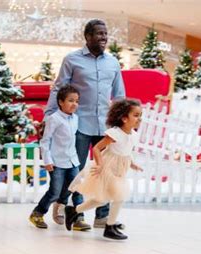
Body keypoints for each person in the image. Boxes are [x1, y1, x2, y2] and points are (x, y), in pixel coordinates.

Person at [44, 19, 126, 230]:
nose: (103, 37)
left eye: (105, 34)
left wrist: (122, 125)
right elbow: (59, 88)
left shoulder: (113, 62)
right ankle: (75, 212)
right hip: (78, 125)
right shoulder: (72, 60)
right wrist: (50, 114)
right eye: (99, 34)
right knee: (78, 171)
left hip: (106, 126)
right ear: (87, 36)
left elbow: (119, 95)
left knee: (106, 170)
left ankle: (103, 216)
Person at [65, 98, 143, 240]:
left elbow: (127, 151)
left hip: (121, 169)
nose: (139, 119)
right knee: (119, 197)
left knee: (102, 200)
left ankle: (73, 210)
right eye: (136, 115)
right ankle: (110, 227)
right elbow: (96, 148)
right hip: (108, 167)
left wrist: (132, 163)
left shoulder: (134, 134)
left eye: (140, 116)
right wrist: (99, 164)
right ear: (124, 118)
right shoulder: (115, 133)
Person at [29, 85, 84, 229]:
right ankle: (37, 214)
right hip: (57, 162)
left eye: (77, 101)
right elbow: (45, 140)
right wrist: (47, 160)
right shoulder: (54, 119)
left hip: (72, 161)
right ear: (61, 102)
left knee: (76, 188)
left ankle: (77, 218)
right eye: (70, 100)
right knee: (55, 192)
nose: (74, 104)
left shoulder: (75, 118)